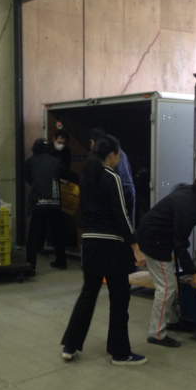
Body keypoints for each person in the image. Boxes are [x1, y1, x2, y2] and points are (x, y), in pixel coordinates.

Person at [61, 135, 147, 365]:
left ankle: (70, 346)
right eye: (119, 155)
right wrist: (136, 247)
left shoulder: (85, 177)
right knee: (119, 299)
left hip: (90, 244)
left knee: (88, 295)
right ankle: (120, 353)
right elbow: (122, 216)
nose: (119, 159)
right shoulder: (112, 177)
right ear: (112, 155)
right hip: (111, 246)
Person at [136, 171, 196, 348]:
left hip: (151, 235)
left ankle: (172, 320)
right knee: (166, 288)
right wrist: (193, 273)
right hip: (154, 242)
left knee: (168, 285)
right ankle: (156, 334)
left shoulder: (190, 192)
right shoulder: (191, 207)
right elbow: (180, 244)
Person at [24, 138, 72, 271]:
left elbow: (27, 177)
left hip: (38, 202)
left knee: (33, 235)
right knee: (58, 232)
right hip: (54, 202)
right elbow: (68, 175)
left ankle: (31, 265)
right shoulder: (56, 161)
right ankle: (61, 261)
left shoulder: (30, 162)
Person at [90, 128, 136, 224]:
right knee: (127, 222)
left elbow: (113, 176)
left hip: (121, 190)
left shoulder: (109, 154)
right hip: (127, 189)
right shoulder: (119, 152)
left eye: (91, 142)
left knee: (122, 221)